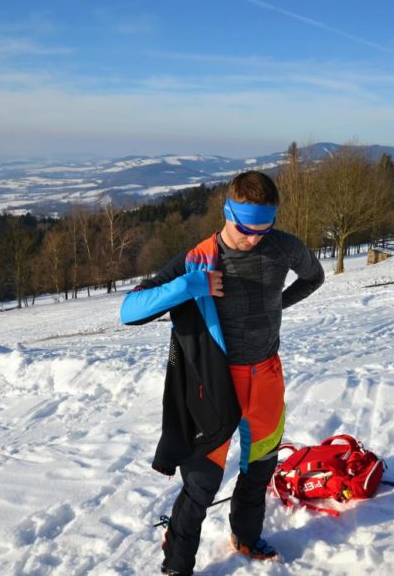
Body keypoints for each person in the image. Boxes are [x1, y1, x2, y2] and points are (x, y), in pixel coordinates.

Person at [120, 170, 324, 575]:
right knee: (201, 485)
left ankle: (245, 537)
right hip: (213, 387)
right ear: (227, 212)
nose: (254, 238)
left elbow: (313, 276)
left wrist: (277, 306)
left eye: (264, 229)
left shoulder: (282, 247)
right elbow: (130, 310)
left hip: (266, 376)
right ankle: (177, 565)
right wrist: (191, 285)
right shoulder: (198, 259)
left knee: (259, 468)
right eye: (246, 228)